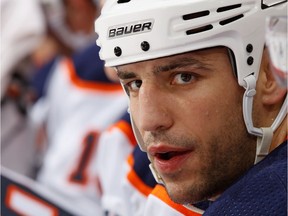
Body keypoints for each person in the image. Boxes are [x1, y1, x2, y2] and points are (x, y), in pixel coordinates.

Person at [95, 0, 287, 215]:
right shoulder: (151, 167)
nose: (147, 121)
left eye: (184, 77)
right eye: (135, 84)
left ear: (270, 74)